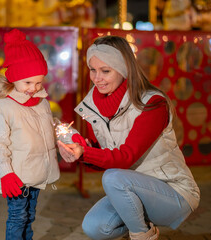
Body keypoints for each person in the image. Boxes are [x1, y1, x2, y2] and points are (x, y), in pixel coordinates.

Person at [57, 35, 200, 240]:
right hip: (130, 189)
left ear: (123, 69)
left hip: (173, 191)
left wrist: (87, 153)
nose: (97, 78)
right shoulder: (93, 107)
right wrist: (81, 151)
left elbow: (124, 157)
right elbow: (106, 157)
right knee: (94, 227)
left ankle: (142, 234)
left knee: (113, 177)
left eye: (105, 71)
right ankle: (139, 221)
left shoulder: (152, 103)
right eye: (93, 69)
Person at [0, 28, 60, 240]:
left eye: (38, 82)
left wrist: (70, 136)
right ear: (13, 79)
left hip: (35, 174)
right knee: (18, 216)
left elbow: (51, 128)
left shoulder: (41, 103)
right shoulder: (1, 108)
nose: (33, 88)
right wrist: (6, 174)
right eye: (27, 82)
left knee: (29, 215)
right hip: (16, 176)